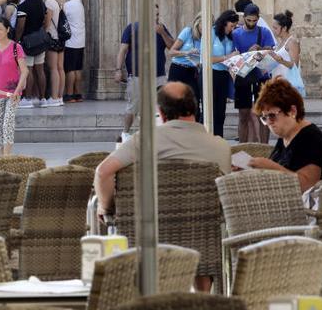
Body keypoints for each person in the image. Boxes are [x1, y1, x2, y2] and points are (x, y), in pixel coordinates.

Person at [95, 82, 230, 290]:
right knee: (206, 234)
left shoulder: (145, 141)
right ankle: (202, 297)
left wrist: (106, 207)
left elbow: (103, 172)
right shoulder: (220, 147)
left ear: (161, 113)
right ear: (195, 107)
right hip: (201, 240)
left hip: (147, 239)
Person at [249, 78, 322, 194]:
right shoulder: (285, 136)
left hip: (301, 209)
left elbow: (308, 186)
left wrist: (270, 167)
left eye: (272, 116)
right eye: (265, 118)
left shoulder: (311, 139)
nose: (268, 123)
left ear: (292, 111)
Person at [114, 6, 174, 142]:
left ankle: (159, 134)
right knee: (133, 105)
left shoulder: (161, 29)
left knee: (161, 105)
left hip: (158, 74)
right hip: (137, 74)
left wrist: (162, 33)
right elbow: (122, 50)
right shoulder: (132, 28)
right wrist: (118, 70)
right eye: (154, 14)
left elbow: (172, 46)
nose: (156, 17)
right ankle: (125, 133)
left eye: (158, 14)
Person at [0, 16, 27, 157]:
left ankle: (7, 156)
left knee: (7, 123)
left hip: (13, 93)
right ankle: (0, 156)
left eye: (0, 29)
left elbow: (25, 71)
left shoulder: (16, 47)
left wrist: (18, 90)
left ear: (7, 29)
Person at [232, 3, 275, 144]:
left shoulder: (264, 32)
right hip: (243, 76)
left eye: (254, 20)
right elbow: (234, 56)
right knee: (243, 114)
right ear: (244, 18)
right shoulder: (236, 34)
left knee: (264, 113)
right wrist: (248, 53)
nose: (251, 23)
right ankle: (242, 146)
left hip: (261, 76)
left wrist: (260, 49)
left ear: (258, 18)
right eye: (249, 20)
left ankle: (264, 147)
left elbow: (270, 51)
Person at [204, 9, 239, 137]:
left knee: (221, 112)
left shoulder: (230, 37)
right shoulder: (211, 32)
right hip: (211, 74)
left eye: (235, 27)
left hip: (224, 75)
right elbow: (206, 58)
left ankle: (219, 138)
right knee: (210, 110)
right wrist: (227, 56)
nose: (233, 29)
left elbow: (231, 59)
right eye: (231, 26)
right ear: (224, 22)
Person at [14, 0, 46, 108]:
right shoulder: (41, 4)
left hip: (27, 42)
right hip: (40, 40)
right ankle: (42, 98)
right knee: (40, 70)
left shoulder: (23, 6)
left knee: (28, 70)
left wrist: (16, 41)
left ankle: (28, 98)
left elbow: (21, 26)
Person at [167, 13, 202, 118]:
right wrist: (187, 53)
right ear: (197, 23)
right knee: (173, 99)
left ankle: (193, 125)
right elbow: (171, 52)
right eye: (203, 24)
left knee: (194, 98)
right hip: (178, 68)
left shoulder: (208, 37)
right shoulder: (188, 32)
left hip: (192, 70)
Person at [42, 0, 65, 107]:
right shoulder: (61, 3)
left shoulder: (50, 2)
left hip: (52, 38)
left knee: (53, 68)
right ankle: (60, 97)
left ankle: (54, 97)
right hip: (61, 39)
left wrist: (43, 31)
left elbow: (47, 22)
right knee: (60, 68)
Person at [268, 11, 302, 92]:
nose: (273, 30)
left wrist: (281, 61)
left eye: (275, 28)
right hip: (278, 83)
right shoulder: (280, 42)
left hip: (287, 85)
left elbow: (294, 66)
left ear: (284, 28)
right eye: (273, 27)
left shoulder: (292, 42)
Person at [63, 0, 85, 102]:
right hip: (80, 41)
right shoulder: (80, 4)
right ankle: (78, 94)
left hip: (71, 41)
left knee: (70, 69)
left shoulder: (68, 5)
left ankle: (70, 94)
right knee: (77, 69)